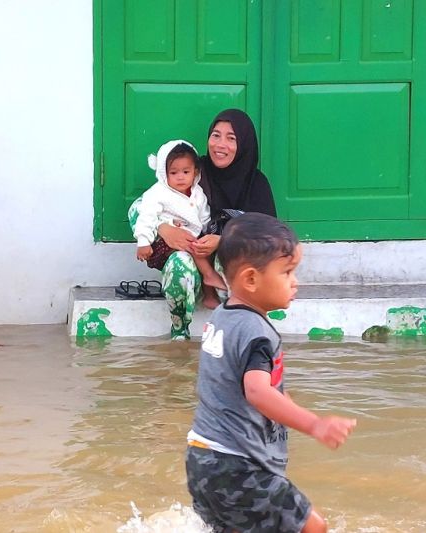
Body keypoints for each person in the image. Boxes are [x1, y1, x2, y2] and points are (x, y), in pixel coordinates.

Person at [185, 213, 356, 533]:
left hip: (201, 460)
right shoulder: (258, 333)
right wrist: (315, 424)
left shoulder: (223, 316)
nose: (295, 282)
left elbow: (258, 388)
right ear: (251, 279)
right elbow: (258, 391)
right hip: (237, 465)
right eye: (287, 272)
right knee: (313, 527)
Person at [157, 109, 276, 340]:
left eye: (231, 138)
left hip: (227, 269)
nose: (220, 145)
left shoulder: (257, 184)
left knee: (238, 262)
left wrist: (223, 242)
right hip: (192, 260)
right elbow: (144, 205)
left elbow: (272, 239)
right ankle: (179, 335)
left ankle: (237, 336)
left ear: (244, 144)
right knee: (178, 265)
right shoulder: (194, 171)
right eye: (216, 135)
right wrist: (165, 229)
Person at [132, 139, 226, 307]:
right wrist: (143, 242)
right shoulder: (158, 193)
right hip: (163, 244)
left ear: (195, 172)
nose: (180, 177)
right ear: (164, 173)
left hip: (191, 239)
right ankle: (209, 275)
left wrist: (208, 235)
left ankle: (209, 294)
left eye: (186, 171)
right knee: (192, 247)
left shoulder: (198, 194)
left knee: (203, 250)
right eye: (173, 173)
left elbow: (204, 217)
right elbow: (146, 216)